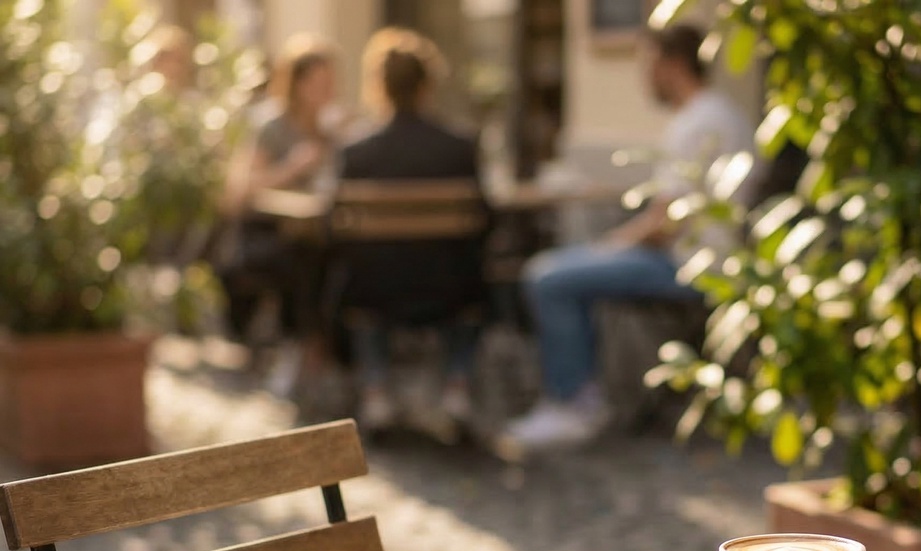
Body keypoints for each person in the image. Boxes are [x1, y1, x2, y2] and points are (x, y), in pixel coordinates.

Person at [495, 23, 754, 456]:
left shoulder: (694, 123)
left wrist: (615, 243)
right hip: (719, 262)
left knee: (549, 276)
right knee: (569, 268)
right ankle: (583, 392)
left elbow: (667, 221)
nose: (643, 77)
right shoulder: (727, 115)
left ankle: (574, 404)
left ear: (671, 66)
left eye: (647, 64)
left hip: (689, 266)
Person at [330, 28, 487, 436]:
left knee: (354, 278)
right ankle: (456, 386)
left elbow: (335, 224)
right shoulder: (459, 146)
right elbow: (487, 217)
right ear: (428, 85)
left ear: (378, 85)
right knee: (481, 284)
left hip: (374, 290)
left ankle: (377, 391)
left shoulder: (356, 151)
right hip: (452, 289)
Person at [217, 34, 341, 392]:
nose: (326, 91)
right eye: (318, 83)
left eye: (330, 83)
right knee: (302, 259)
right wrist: (291, 168)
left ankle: (325, 355)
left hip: (318, 228)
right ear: (297, 83)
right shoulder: (269, 125)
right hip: (266, 232)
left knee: (341, 260)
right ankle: (299, 348)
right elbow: (238, 191)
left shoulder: (332, 127)